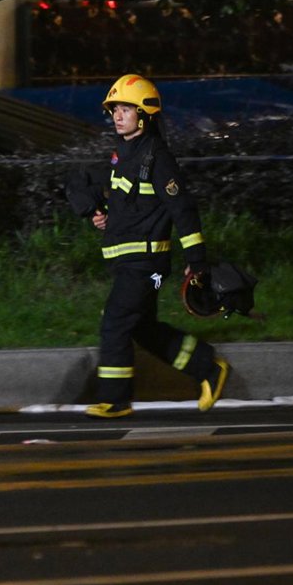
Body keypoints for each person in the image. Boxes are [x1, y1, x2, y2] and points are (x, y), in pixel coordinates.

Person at [65, 73, 229, 418]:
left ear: (145, 115)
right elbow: (111, 194)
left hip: (145, 264)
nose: (118, 115)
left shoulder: (157, 158)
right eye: (114, 109)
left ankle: (115, 399)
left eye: (126, 109)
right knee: (142, 328)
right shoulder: (121, 155)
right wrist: (98, 210)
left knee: (115, 321)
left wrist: (197, 260)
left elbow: (182, 209)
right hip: (128, 262)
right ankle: (207, 367)